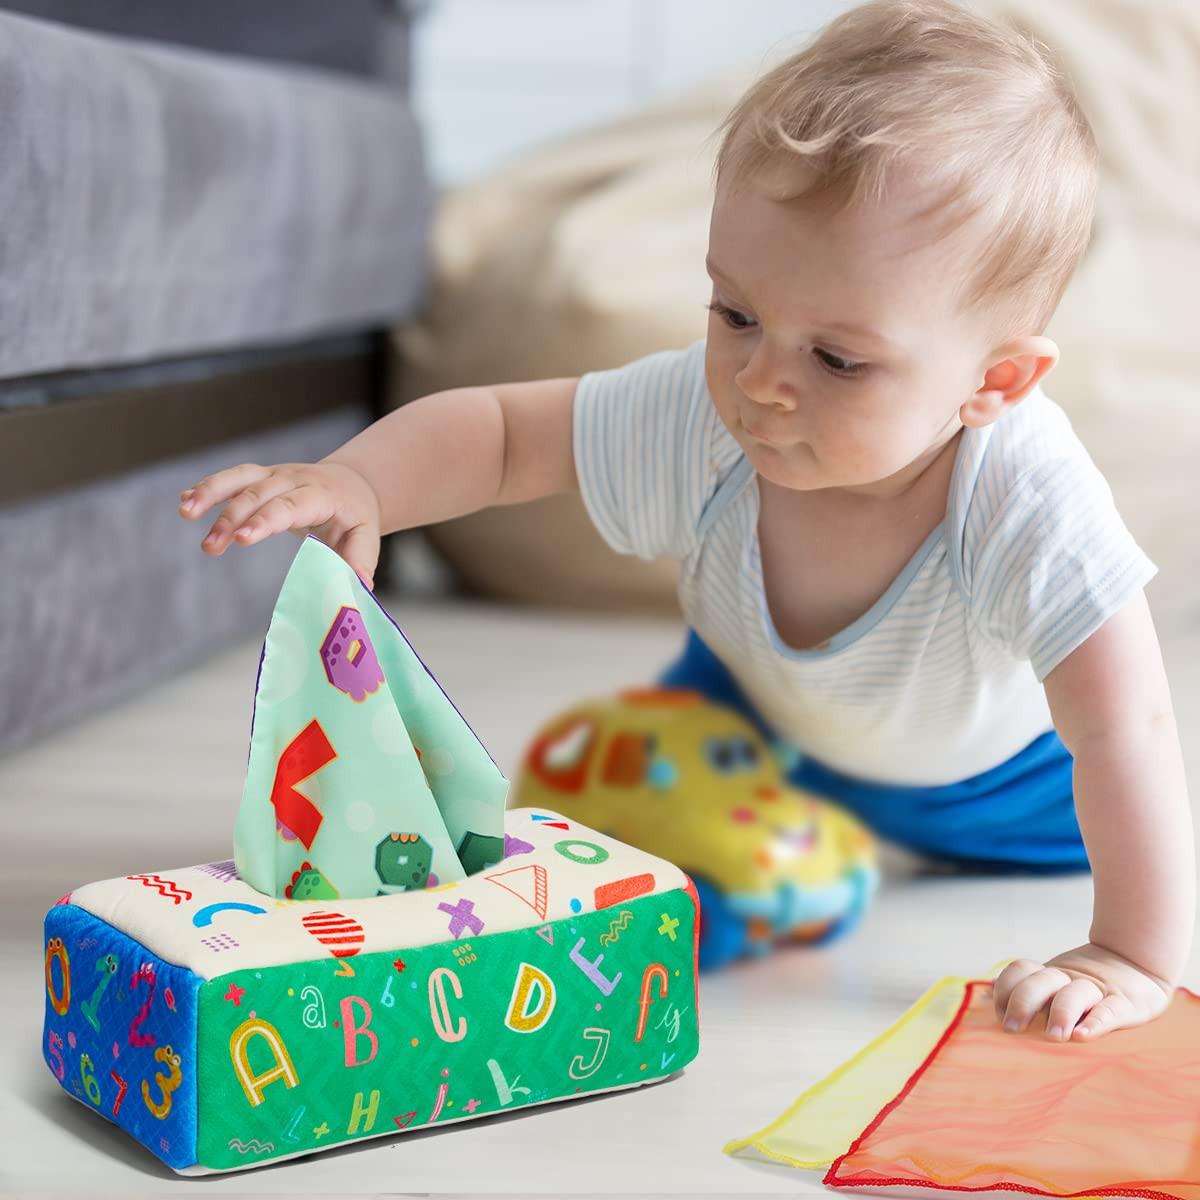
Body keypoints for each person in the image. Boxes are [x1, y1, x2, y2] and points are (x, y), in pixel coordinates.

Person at [178, 0, 1193, 1042]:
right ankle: (748, 883)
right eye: (735, 313)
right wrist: (363, 487)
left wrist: (1128, 952)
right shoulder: (699, 417)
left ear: (998, 380)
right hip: (749, 710)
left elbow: (1128, 726)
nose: (760, 381)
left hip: (994, 789)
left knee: (1098, 810)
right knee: (596, 837)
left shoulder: (1025, 499)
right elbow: (502, 434)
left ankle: (793, 871)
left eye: (837, 360)